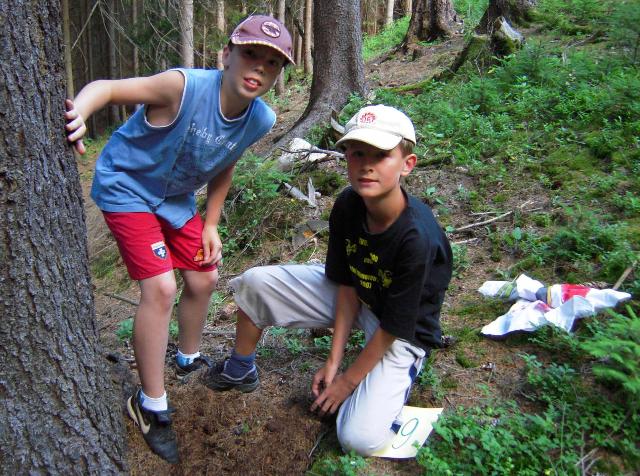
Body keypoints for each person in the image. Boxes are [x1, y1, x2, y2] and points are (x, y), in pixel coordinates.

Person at [64, 15, 294, 463]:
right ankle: (150, 404)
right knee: (161, 287)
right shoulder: (182, 87)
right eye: (250, 54)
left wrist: (211, 223)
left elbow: (227, 160)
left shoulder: (260, 118)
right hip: (127, 186)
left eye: (272, 63)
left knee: (205, 277)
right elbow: (107, 88)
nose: (259, 68)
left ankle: (187, 357)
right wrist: (81, 113)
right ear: (226, 55)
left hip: (175, 199)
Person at [203, 105, 453, 456]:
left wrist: (347, 382)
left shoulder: (416, 237)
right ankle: (240, 369)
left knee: (358, 439)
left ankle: (394, 384)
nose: (366, 165)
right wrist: (334, 362)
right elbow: (347, 285)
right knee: (256, 283)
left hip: (402, 329)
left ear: (407, 164)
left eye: (381, 155)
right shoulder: (349, 204)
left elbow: (395, 325)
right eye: (357, 153)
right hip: (363, 297)